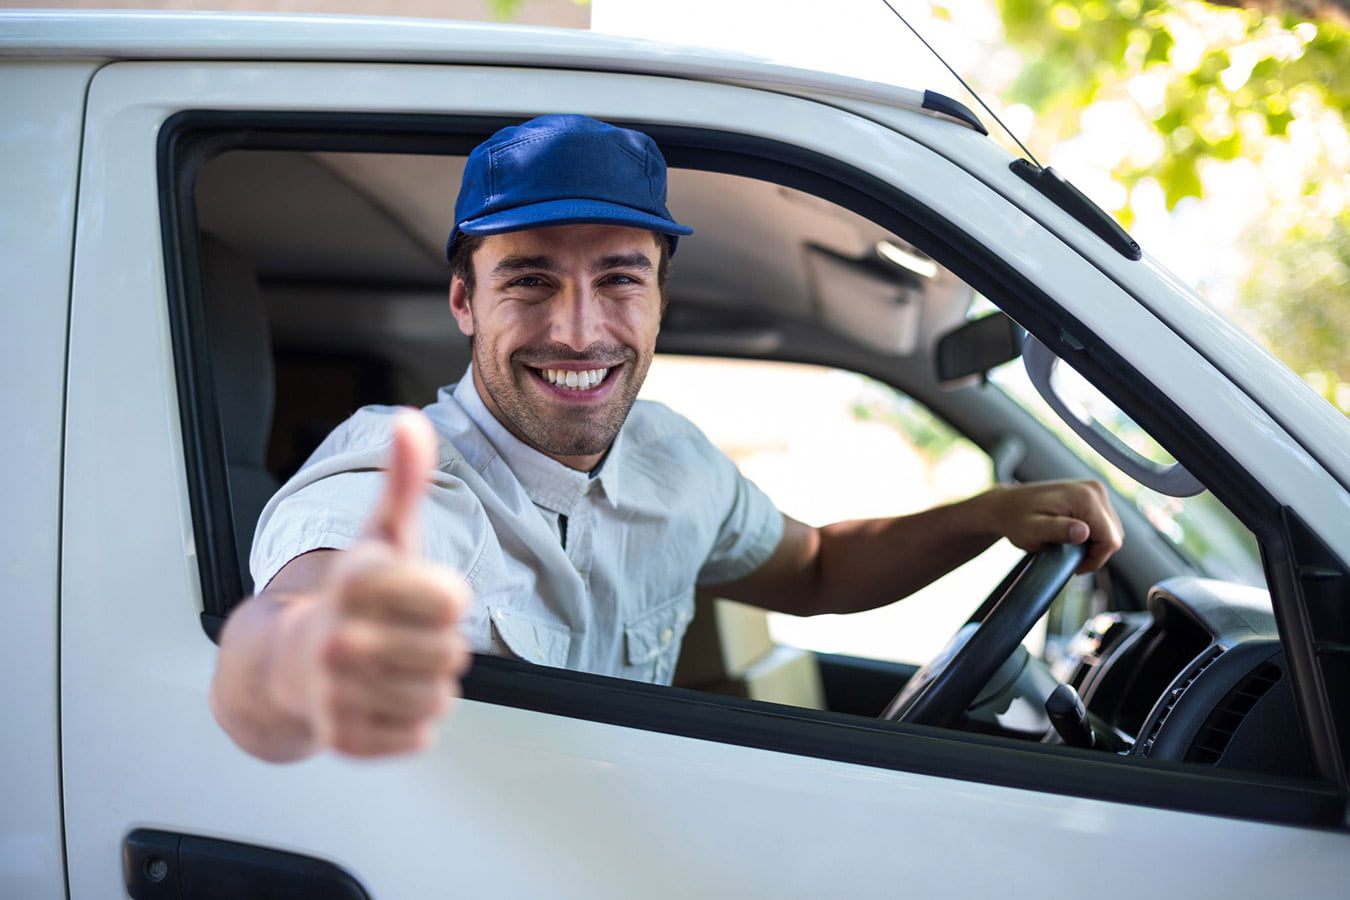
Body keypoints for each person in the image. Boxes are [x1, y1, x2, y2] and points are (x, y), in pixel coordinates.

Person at [210, 115, 1123, 763]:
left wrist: (990, 515)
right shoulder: (400, 479)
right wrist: (299, 664)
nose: (578, 329)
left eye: (618, 279)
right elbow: (292, 639)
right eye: (529, 281)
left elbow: (813, 570)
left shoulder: (671, 456)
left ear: (658, 299)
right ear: (465, 301)